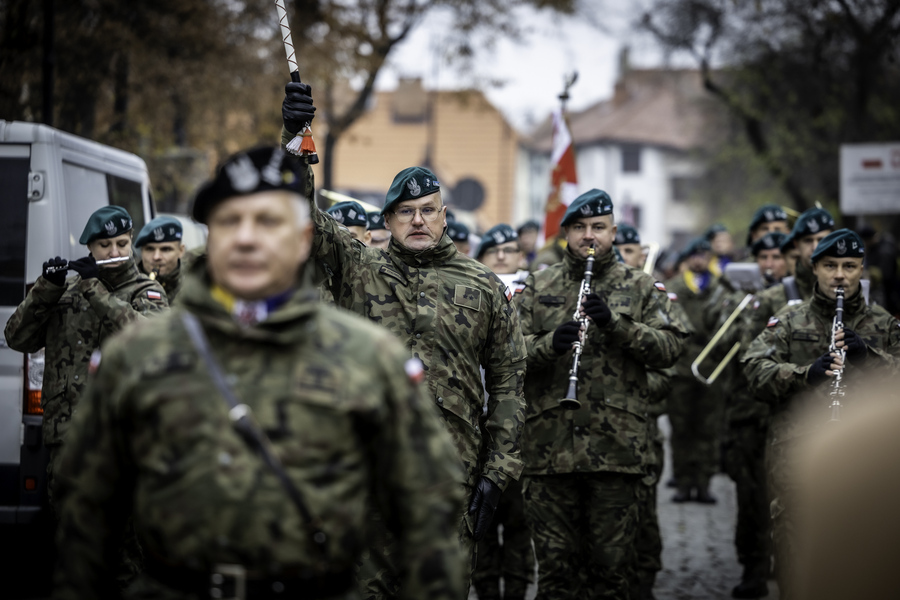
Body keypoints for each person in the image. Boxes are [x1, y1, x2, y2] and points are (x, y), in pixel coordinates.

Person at [51, 146, 467, 600]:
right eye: (231, 221)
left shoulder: (369, 360)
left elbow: (430, 524)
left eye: (269, 221)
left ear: (303, 237)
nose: (248, 238)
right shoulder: (136, 357)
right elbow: (83, 523)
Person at [514, 189, 687, 599]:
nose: (589, 236)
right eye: (579, 228)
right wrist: (549, 345)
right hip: (549, 451)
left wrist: (618, 326)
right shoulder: (539, 285)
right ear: (566, 234)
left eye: (598, 227)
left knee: (610, 575)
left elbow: (672, 348)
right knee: (555, 576)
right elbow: (506, 353)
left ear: (612, 231)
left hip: (617, 453)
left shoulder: (641, 286)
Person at [742, 228, 900, 600]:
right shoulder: (789, 321)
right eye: (830, 266)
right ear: (814, 268)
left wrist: (870, 359)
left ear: (863, 269)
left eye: (849, 266)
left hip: (872, 469)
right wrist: (804, 375)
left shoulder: (885, 324)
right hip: (797, 463)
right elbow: (753, 370)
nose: (840, 275)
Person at [4, 206, 168, 510]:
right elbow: (17, 338)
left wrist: (95, 289)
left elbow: (152, 341)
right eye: (104, 246)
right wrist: (45, 289)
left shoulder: (147, 291)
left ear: (131, 240)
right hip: (68, 442)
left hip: (124, 441)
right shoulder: (66, 292)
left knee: (124, 549)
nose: (113, 251)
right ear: (90, 248)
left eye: (121, 243)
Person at [471, 224, 534, 600]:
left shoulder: (534, 294)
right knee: (479, 525)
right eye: (493, 251)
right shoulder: (472, 290)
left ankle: (515, 591)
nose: (501, 256)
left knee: (519, 525)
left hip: (522, 431)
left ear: (521, 256)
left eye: (509, 250)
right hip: (476, 428)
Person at [664, 237, 723, 503]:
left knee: (708, 427)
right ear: (687, 259)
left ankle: (704, 482)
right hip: (683, 364)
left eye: (704, 255)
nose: (699, 259)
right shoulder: (675, 286)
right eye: (695, 255)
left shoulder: (721, 287)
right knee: (681, 426)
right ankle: (683, 481)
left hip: (712, 364)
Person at [134, 215, 186, 302]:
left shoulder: (195, 285)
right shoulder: (127, 284)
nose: (156, 257)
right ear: (141, 251)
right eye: (150, 249)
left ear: (180, 251)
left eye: (165, 249)